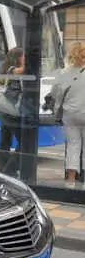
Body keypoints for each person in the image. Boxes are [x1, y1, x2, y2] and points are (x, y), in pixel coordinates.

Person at [51, 42, 85, 189]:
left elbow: (55, 94)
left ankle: (71, 181)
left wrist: (57, 111)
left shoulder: (63, 73)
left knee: (73, 145)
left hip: (70, 114)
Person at [0, 47, 25, 177]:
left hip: (3, 110)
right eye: (23, 56)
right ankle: (9, 170)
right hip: (10, 112)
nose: (25, 58)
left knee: (5, 141)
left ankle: (3, 169)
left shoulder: (5, 69)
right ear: (18, 57)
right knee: (25, 142)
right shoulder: (12, 70)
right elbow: (23, 70)